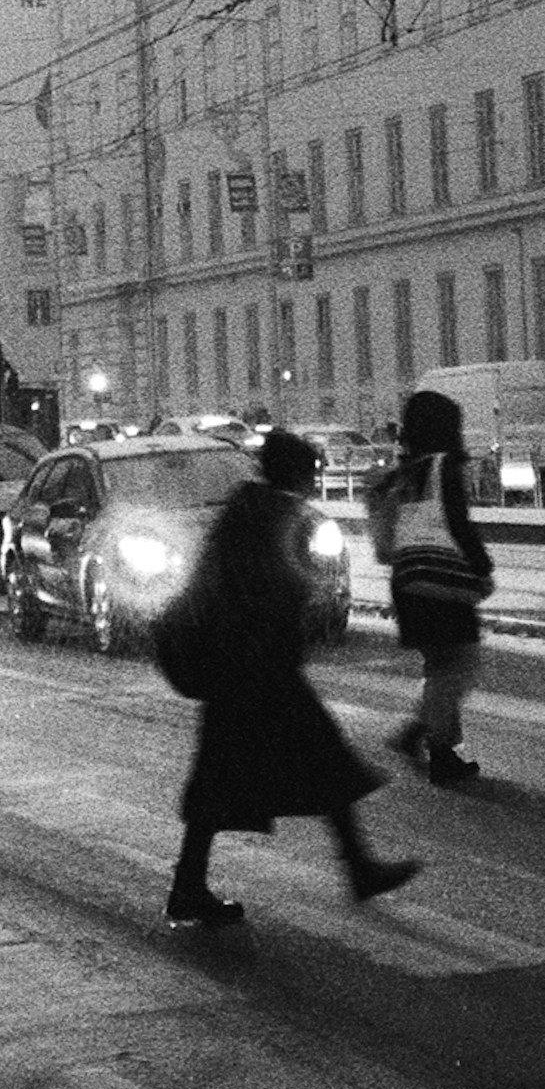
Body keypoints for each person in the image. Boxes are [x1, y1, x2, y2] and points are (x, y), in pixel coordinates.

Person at [165, 428, 420, 928]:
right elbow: (276, 592)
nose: (313, 485)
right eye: (312, 475)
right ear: (298, 475)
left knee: (240, 778)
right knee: (317, 761)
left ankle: (191, 885)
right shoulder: (275, 516)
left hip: (241, 670)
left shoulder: (246, 511)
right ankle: (355, 868)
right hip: (256, 671)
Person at [369, 388, 495, 785]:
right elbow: (459, 523)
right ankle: (430, 745)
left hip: (406, 582)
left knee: (441, 666)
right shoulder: (446, 466)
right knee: (461, 665)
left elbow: (386, 539)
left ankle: (435, 745)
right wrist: (482, 566)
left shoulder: (404, 473)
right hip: (439, 581)